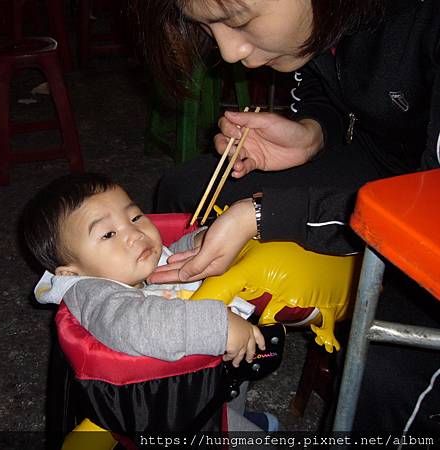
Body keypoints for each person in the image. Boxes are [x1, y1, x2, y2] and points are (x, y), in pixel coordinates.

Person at [131, 0, 440, 432]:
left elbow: (428, 207)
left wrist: (264, 215)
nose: (228, 52)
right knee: (187, 190)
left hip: (430, 216)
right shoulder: (330, 17)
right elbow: (330, 88)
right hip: (381, 163)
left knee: (389, 374)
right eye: (208, 27)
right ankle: (210, 387)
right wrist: (313, 134)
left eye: (236, 20)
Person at [22, 172, 278, 432]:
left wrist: (201, 242)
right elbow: (133, 324)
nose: (134, 233)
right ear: (72, 272)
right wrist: (217, 327)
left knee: (235, 382)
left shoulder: (128, 263)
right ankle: (230, 423)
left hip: (219, 371)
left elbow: (171, 259)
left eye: (135, 217)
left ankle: (231, 411)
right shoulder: (90, 292)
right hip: (175, 404)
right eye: (108, 234)